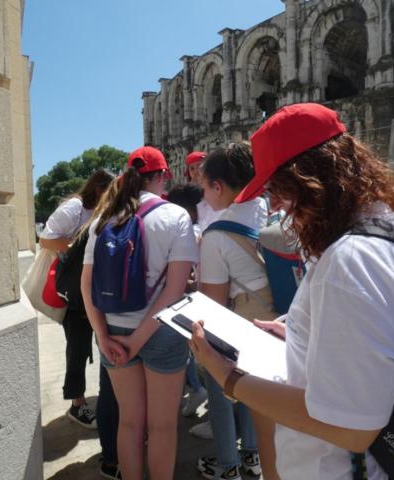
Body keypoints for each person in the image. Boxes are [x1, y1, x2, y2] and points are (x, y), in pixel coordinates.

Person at [189, 103, 394, 479]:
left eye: (278, 188)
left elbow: (353, 428)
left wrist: (228, 376)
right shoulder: (382, 226)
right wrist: (296, 332)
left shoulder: (348, 261)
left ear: (314, 175)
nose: (274, 204)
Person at [81, 146, 198, 480]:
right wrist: (138, 340)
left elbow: (86, 287)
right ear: (161, 176)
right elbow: (175, 290)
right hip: (161, 332)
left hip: (113, 331)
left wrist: (104, 337)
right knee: (162, 427)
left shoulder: (103, 220)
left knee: (130, 422)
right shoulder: (175, 216)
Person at [196, 142, 278, 480]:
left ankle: (232, 464)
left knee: (236, 395)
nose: (204, 197)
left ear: (218, 186)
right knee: (270, 409)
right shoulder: (275, 211)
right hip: (284, 322)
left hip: (246, 328)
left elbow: (213, 304)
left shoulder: (217, 234)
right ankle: (254, 456)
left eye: (204, 188)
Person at [39, 169, 114, 427]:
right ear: (99, 189)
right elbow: (45, 239)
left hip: (99, 289)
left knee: (107, 344)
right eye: (111, 191)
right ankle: (77, 404)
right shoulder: (75, 208)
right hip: (75, 292)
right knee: (78, 349)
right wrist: (78, 249)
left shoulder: (106, 211)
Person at [166, 183, 209, 417]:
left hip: (190, 299)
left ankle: (195, 387)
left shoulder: (189, 231)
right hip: (197, 296)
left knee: (188, 347)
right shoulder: (203, 227)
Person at [185, 151, 223, 232]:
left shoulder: (217, 192)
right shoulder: (186, 195)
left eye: (199, 167)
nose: (196, 172)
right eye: (192, 169)